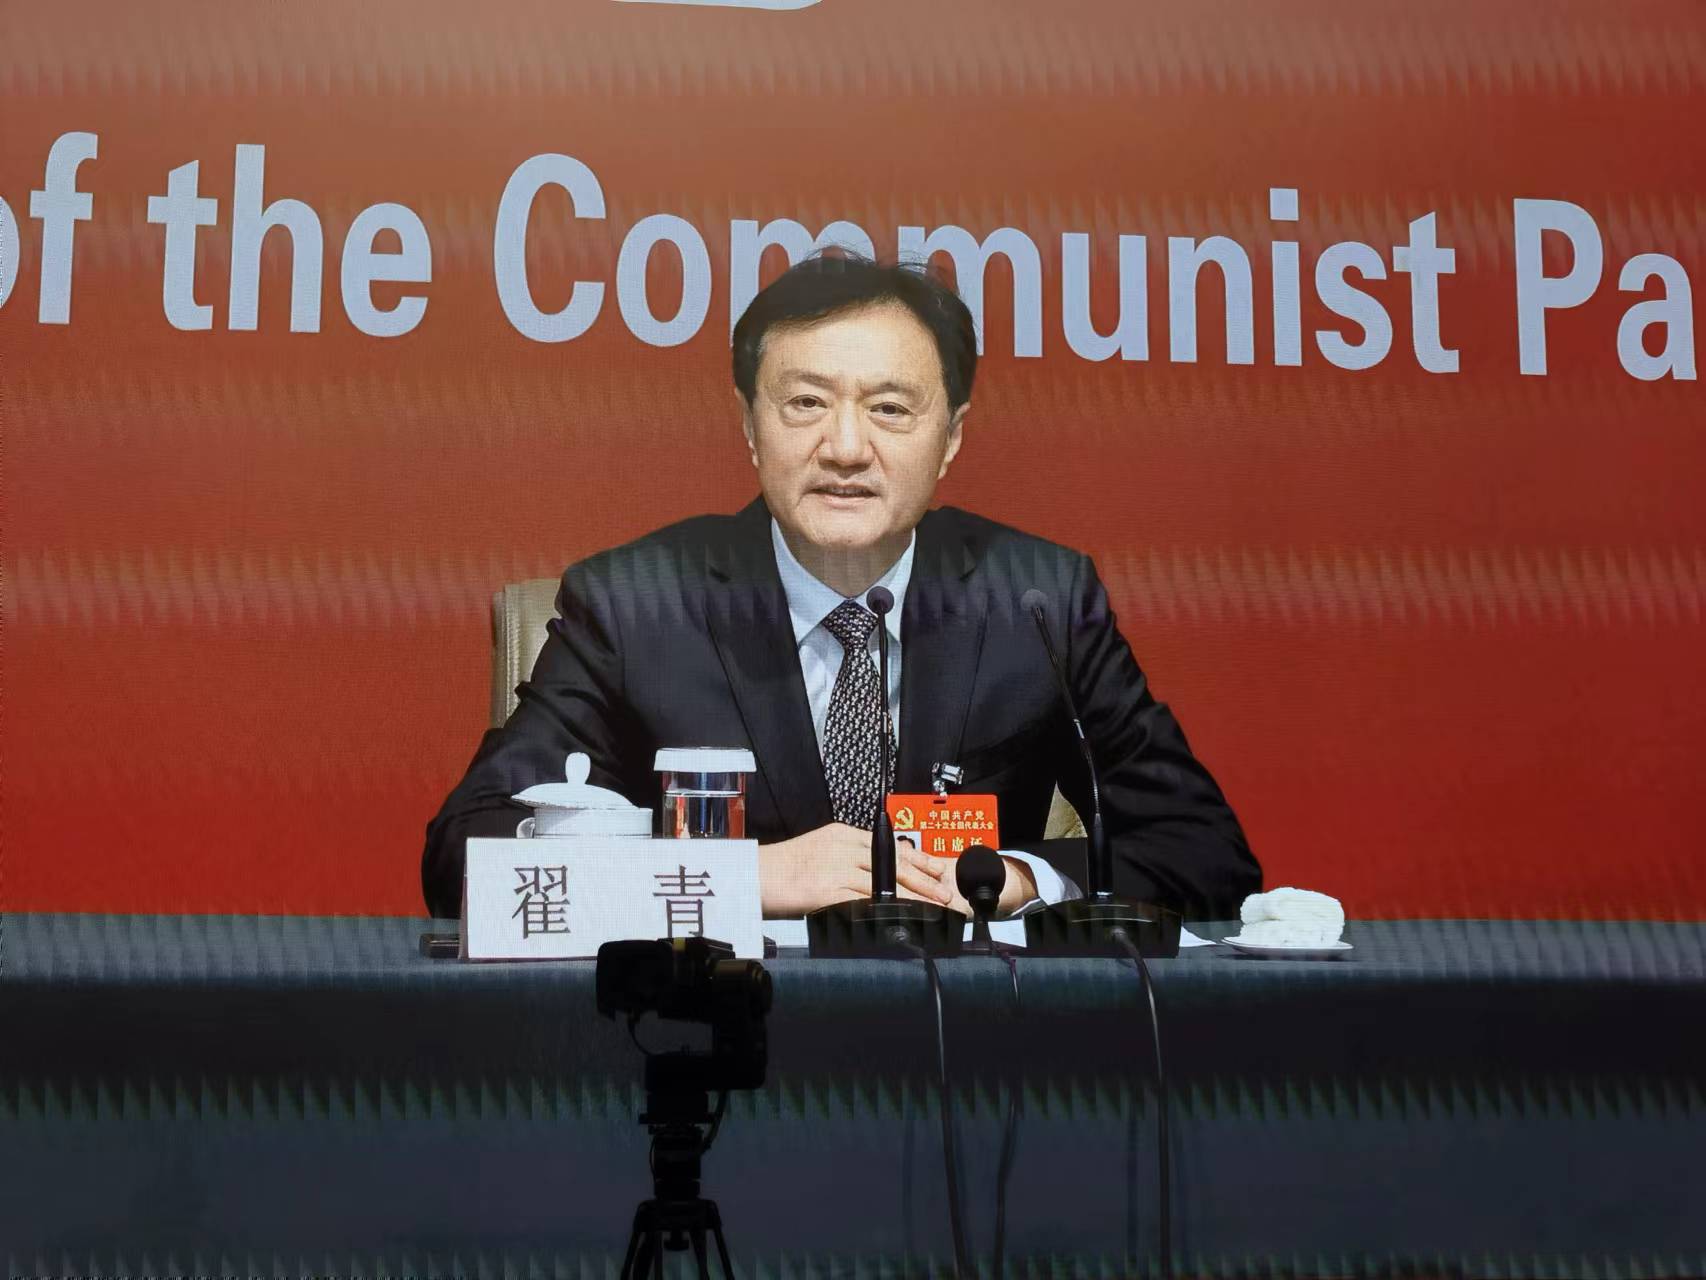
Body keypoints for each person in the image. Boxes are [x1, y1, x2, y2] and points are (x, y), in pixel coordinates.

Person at [422, 253, 1259, 924]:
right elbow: (466, 855)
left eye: (890, 409)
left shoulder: (1036, 601)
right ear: (750, 426)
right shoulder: (637, 605)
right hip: (715, 1044)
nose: (847, 447)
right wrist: (745, 876)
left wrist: (1017, 879)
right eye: (806, 403)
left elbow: (1205, 853)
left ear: (951, 438)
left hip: (968, 1051)